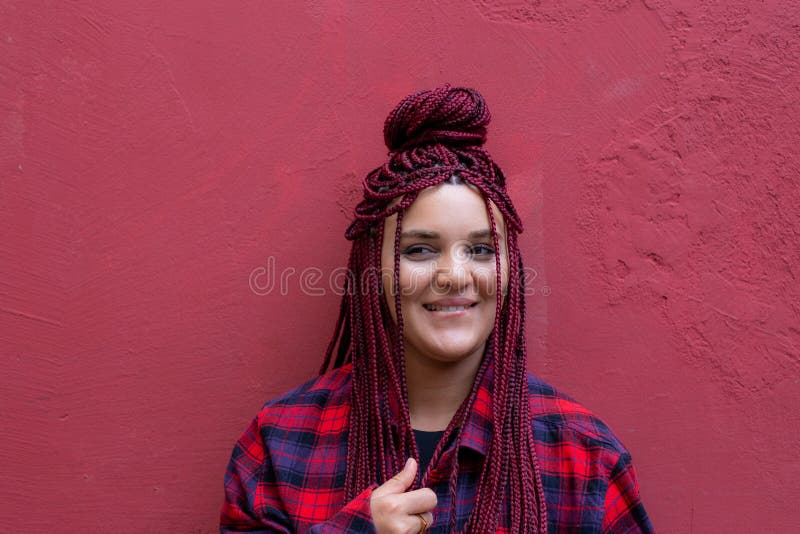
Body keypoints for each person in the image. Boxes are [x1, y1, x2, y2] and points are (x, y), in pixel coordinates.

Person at [220, 85, 654, 533]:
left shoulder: (585, 460)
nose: (455, 275)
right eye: (421, 250)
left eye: (482, 249)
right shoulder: (279, 444)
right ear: (374, 268)